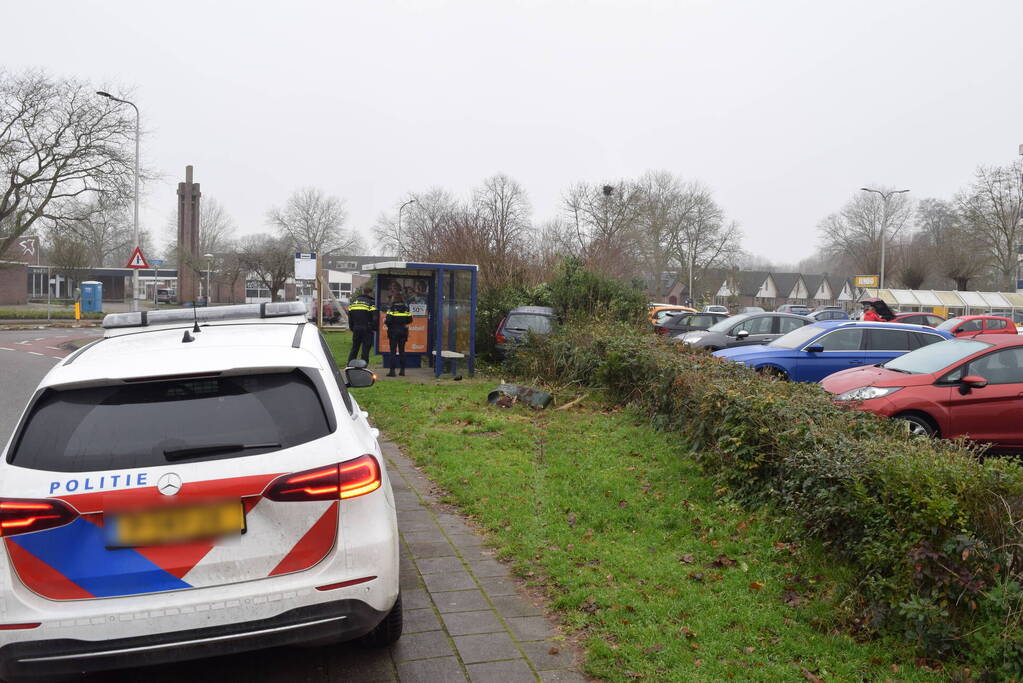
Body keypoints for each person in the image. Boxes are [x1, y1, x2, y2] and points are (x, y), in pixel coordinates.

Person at [347, 287, 378, 365]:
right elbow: (375, 317)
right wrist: (374, 328)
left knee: (355, 347)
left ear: (363, 291)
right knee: (365, 348)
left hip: (356, 328)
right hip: (367, 328)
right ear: (370, 293)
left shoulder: (353, 302)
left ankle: (350, 364)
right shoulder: (371, 302)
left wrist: (352, 327)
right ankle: (363, 365)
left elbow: (350, 317)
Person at [384, 295, 413, 377]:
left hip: (393, 332)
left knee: (393, 351)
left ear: (394, 299)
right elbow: (410, 320)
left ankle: (392, 371)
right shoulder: (406, 308)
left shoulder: (391, 308)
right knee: (402, 351)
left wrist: (388, 324)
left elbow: (388, 320)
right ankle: (402, 371)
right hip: (403, 331)